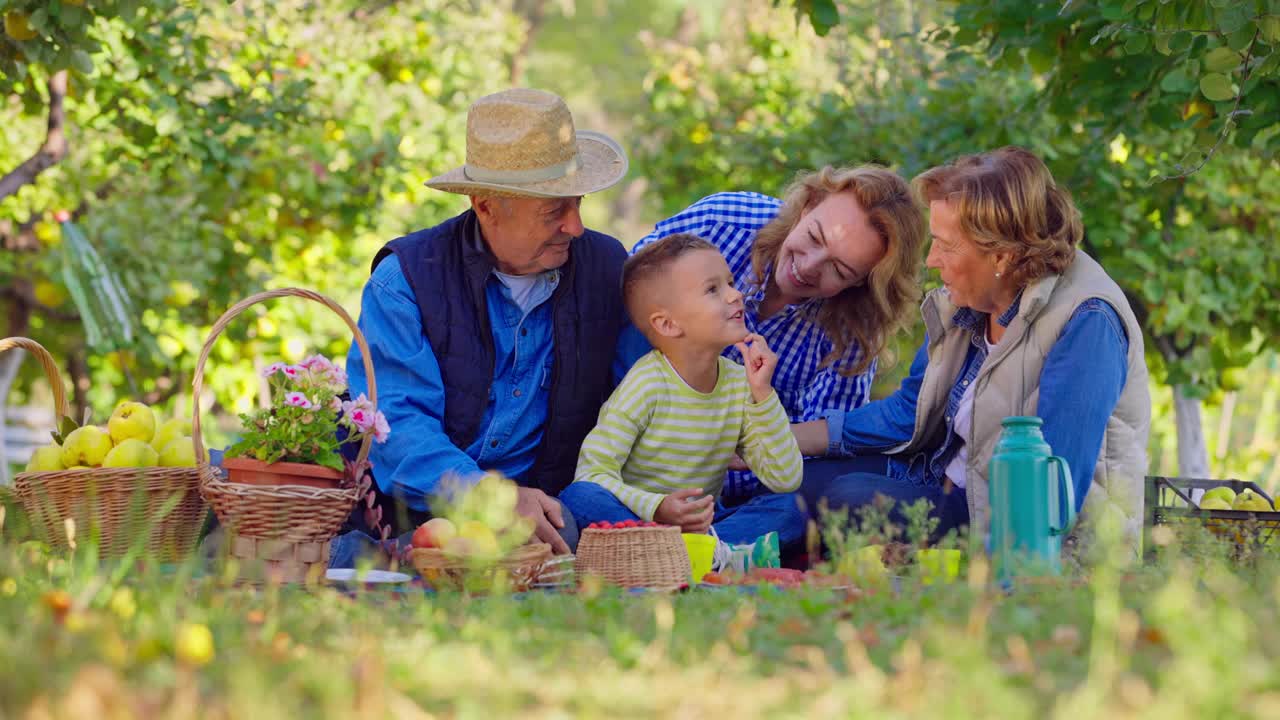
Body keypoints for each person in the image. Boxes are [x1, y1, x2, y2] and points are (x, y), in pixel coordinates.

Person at [793, 146, 1151, 555]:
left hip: (1016, 525)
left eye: (945, 246)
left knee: (852, 497)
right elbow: (908, 412)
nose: (930, 260)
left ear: (1001, 255)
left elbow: (1051, 492)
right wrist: (786, 440)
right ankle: (724, 553)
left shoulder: (1088, 322)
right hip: (948, 484)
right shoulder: (971, 301)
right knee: (803, 479)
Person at [331, 88, 634, 566]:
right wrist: (493, 498)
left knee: (586, 515)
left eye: (578, 203)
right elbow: (399, 424)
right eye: (554, 210)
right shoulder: (407, 279)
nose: (576, 226)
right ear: (486, 206)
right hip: (415, 508)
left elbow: (642, 392)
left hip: (549, 506)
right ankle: (395, 554)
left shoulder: (607, 268)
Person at [635, 167, 926, 506]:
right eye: (815, 237)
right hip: (641, 428)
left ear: (861, 281)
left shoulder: (853, 334)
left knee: (801, 502)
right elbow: (624, 289)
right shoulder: (724, 222)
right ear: (809, 205)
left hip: (735, 487)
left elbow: (806, 455)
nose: (810, 266)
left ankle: (720, 541)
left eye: (840, 269)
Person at [560, 234, 805, 571]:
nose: (735, 295)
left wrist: (763, 394)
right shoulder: (646, 383)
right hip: (639, 517)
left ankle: (681, 558)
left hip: (704, 527)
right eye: (713, 289)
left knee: (791, 509)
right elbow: (591, 473)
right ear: (668, 324)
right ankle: (685, 556)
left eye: (730, 283)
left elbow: (784, 477)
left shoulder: (739, 383)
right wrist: (657, 507)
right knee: (578, 498)